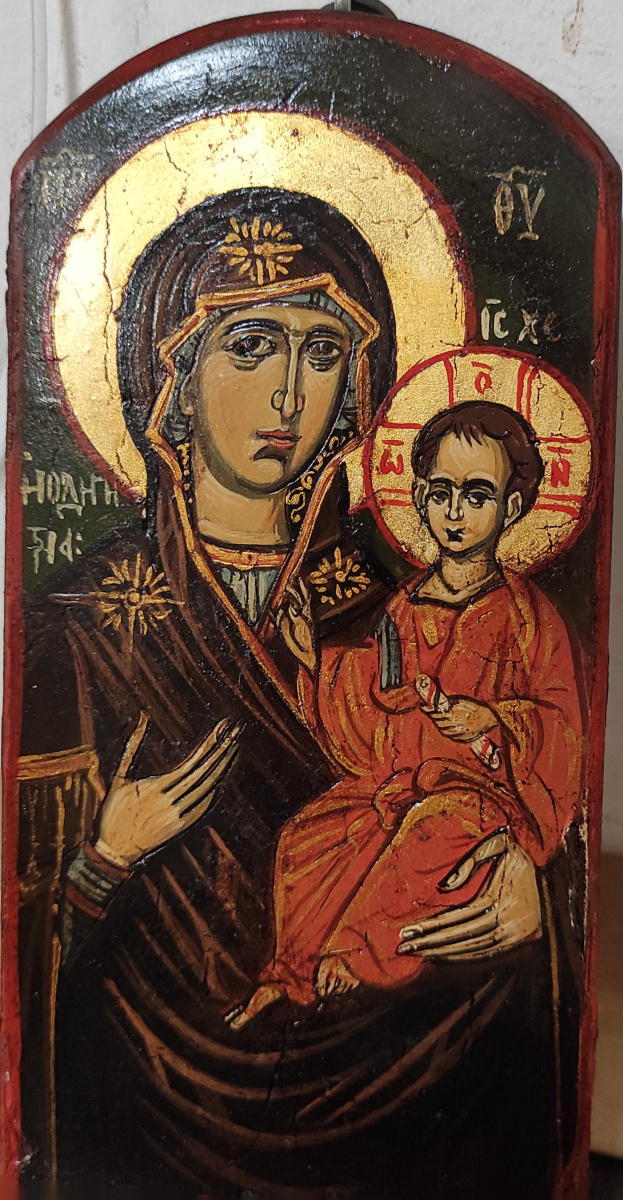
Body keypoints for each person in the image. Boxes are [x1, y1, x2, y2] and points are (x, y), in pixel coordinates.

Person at [19, 190, 561, 1197]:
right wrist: (104, 856)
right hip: (151, 1105)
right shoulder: (82, 622)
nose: (287, 396)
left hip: (395, 1065)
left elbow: (489, 788)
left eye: (321, 355)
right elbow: (30, 954)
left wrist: (528, 891)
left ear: (356, 389)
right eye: (250, 346)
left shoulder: (400, 607)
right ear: (171, 381)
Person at [228, 401, 583, 1025]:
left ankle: (357, 956)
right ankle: (290, 971)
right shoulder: (402, 606)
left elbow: (561, 727)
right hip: (397, 785)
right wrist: (315, 662)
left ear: (513, 507)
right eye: (441, 492)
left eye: (476, 495)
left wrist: (492, 721)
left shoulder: (529, 618)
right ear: (418, 496)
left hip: (480, 801)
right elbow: (372, 728)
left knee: (428, 833)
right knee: (311, 839)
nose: (455, 512)